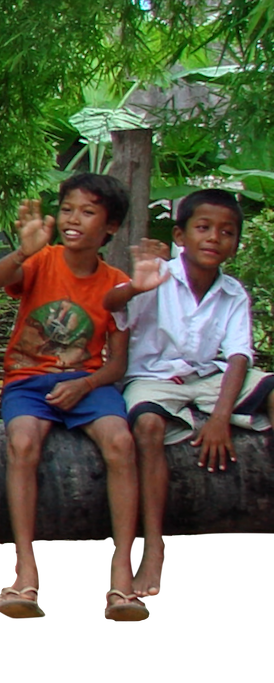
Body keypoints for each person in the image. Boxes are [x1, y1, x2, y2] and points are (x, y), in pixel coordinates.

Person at [0, 173, 142, 623]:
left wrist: (84, 386)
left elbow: (117, 365)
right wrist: (23, 250)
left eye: (88, 212)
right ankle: (25, 568)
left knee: (120, 442)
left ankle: (119, 574)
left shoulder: (116, 284)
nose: (74, 219)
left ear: (109, 227)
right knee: (22, 444)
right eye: (69, 209)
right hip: (27, 382)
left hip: (89, 384)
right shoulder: (42, 260)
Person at [105, 188, 265, 607]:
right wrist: (135, 287)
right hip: (152, 378)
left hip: (206, 377)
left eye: (227, 232)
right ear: (180, 235)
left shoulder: (233, 293)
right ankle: (154, 546)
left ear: (235, 244)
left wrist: (220, 418)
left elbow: (238, 358)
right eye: (203, 228)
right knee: (148, 425)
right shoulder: (157, 274)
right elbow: (111, 304)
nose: (215, 238)